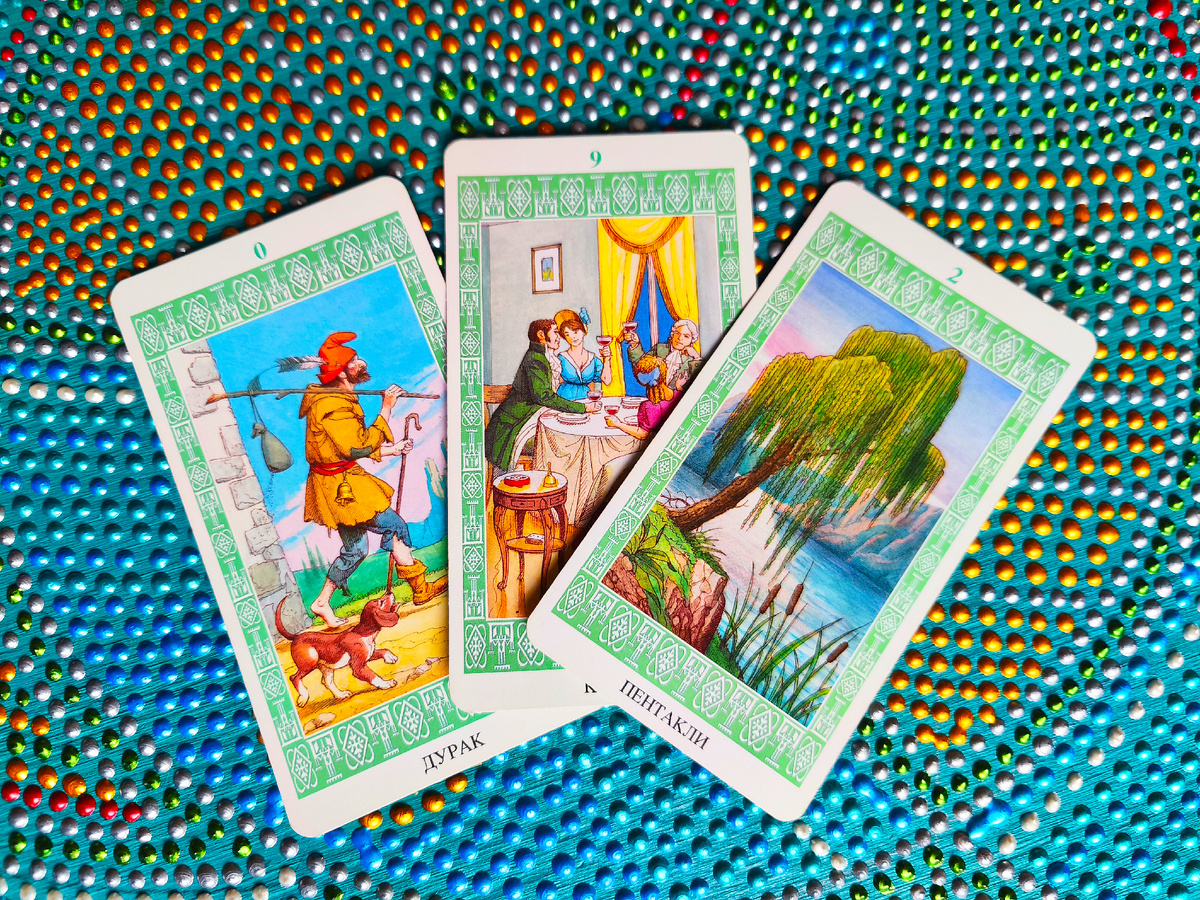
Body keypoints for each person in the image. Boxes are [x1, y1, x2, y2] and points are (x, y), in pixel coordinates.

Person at [301, 332, 445, 629]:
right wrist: (387, 408)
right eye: (354, 361)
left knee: (355, 549)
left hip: (337, 482)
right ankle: (420, 589)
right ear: (341, 372)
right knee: (394, 525)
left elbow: (342, 448)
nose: (362, 362)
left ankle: (321, 602)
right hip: (342, 488)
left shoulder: (337, 399)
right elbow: (357, 446)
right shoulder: (332, 405)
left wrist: (392, 449)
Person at [485, 319, 601, 471]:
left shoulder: (546, 356)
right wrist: (582, 408)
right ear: (541, 335)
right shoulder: (535, 359)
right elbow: (544, 397)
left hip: (530, 415)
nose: (559, 337)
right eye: (555, 333)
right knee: (561, 442)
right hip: (514, 425)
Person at [605, 355, 686, 441]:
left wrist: (618, 424)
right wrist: (679, 387)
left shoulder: (649, 406)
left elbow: (642, 434)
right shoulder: (678, 394)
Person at [622, 317, 701, 392]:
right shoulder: (659, 349)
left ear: (692, 340)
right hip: (655, 397)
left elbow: (699, 385)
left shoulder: (692, 360)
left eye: (686, 336)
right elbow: (641, 367)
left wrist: (696, 357)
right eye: (677, 333)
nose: (680, 338)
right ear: (672, 334)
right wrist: (635, 344)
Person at [553, 307, 612, 402]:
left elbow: (607, 381)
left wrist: (607, 359)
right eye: (567, 334)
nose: (572, 337)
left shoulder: (593, 359)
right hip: (565, 400)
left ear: (583, 331)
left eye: (575, 332)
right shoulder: (561, 358)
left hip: (587, 400)